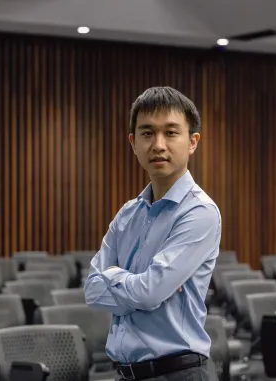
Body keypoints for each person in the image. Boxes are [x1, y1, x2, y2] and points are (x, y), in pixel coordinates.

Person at [84, 86, 221, 381]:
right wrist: (133, 285)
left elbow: (149, 293)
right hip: (126, 373)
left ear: (192, 141)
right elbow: (92, 290)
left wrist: (112, 275)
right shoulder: (128, 214)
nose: (158, 145)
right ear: (133, 142)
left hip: (178, 373)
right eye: (147, 133)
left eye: (171, 133)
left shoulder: (199, 212)